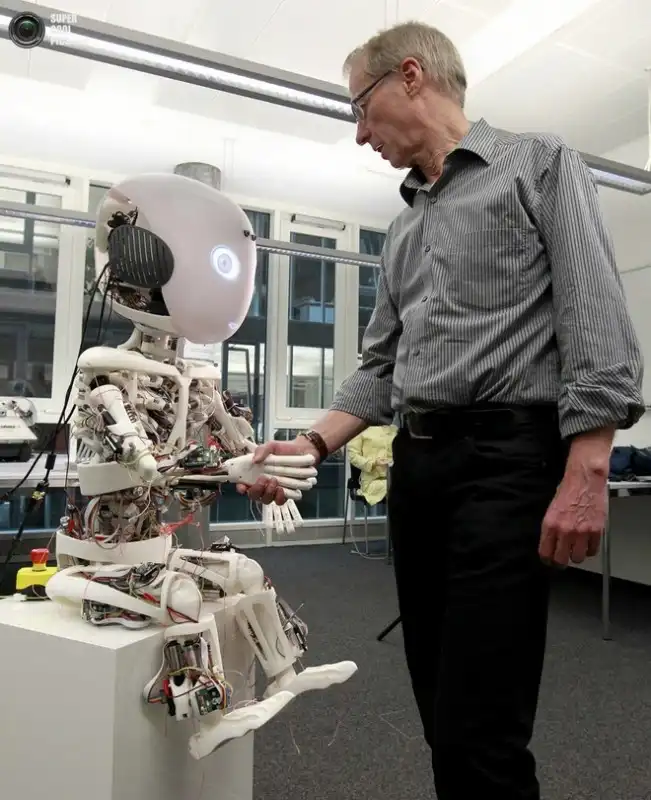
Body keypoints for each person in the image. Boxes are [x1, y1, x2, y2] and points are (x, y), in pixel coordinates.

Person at [238, 21, 644, 800]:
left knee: (479, 726)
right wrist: (309, 446)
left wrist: (588, 467)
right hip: (419, 471)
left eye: (360, 108)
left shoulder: (537, 163)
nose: (360, 134)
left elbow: (595, 318)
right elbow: (379, 370)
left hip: (506, 465)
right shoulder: (402, 232)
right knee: (436, 706)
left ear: (410, 76)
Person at [347, 424, 397, 505]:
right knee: (400, 488)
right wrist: (374, 463)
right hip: (372, 481)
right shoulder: (359, 430)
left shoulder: (394, 429)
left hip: (393, 476)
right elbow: (353, 457)